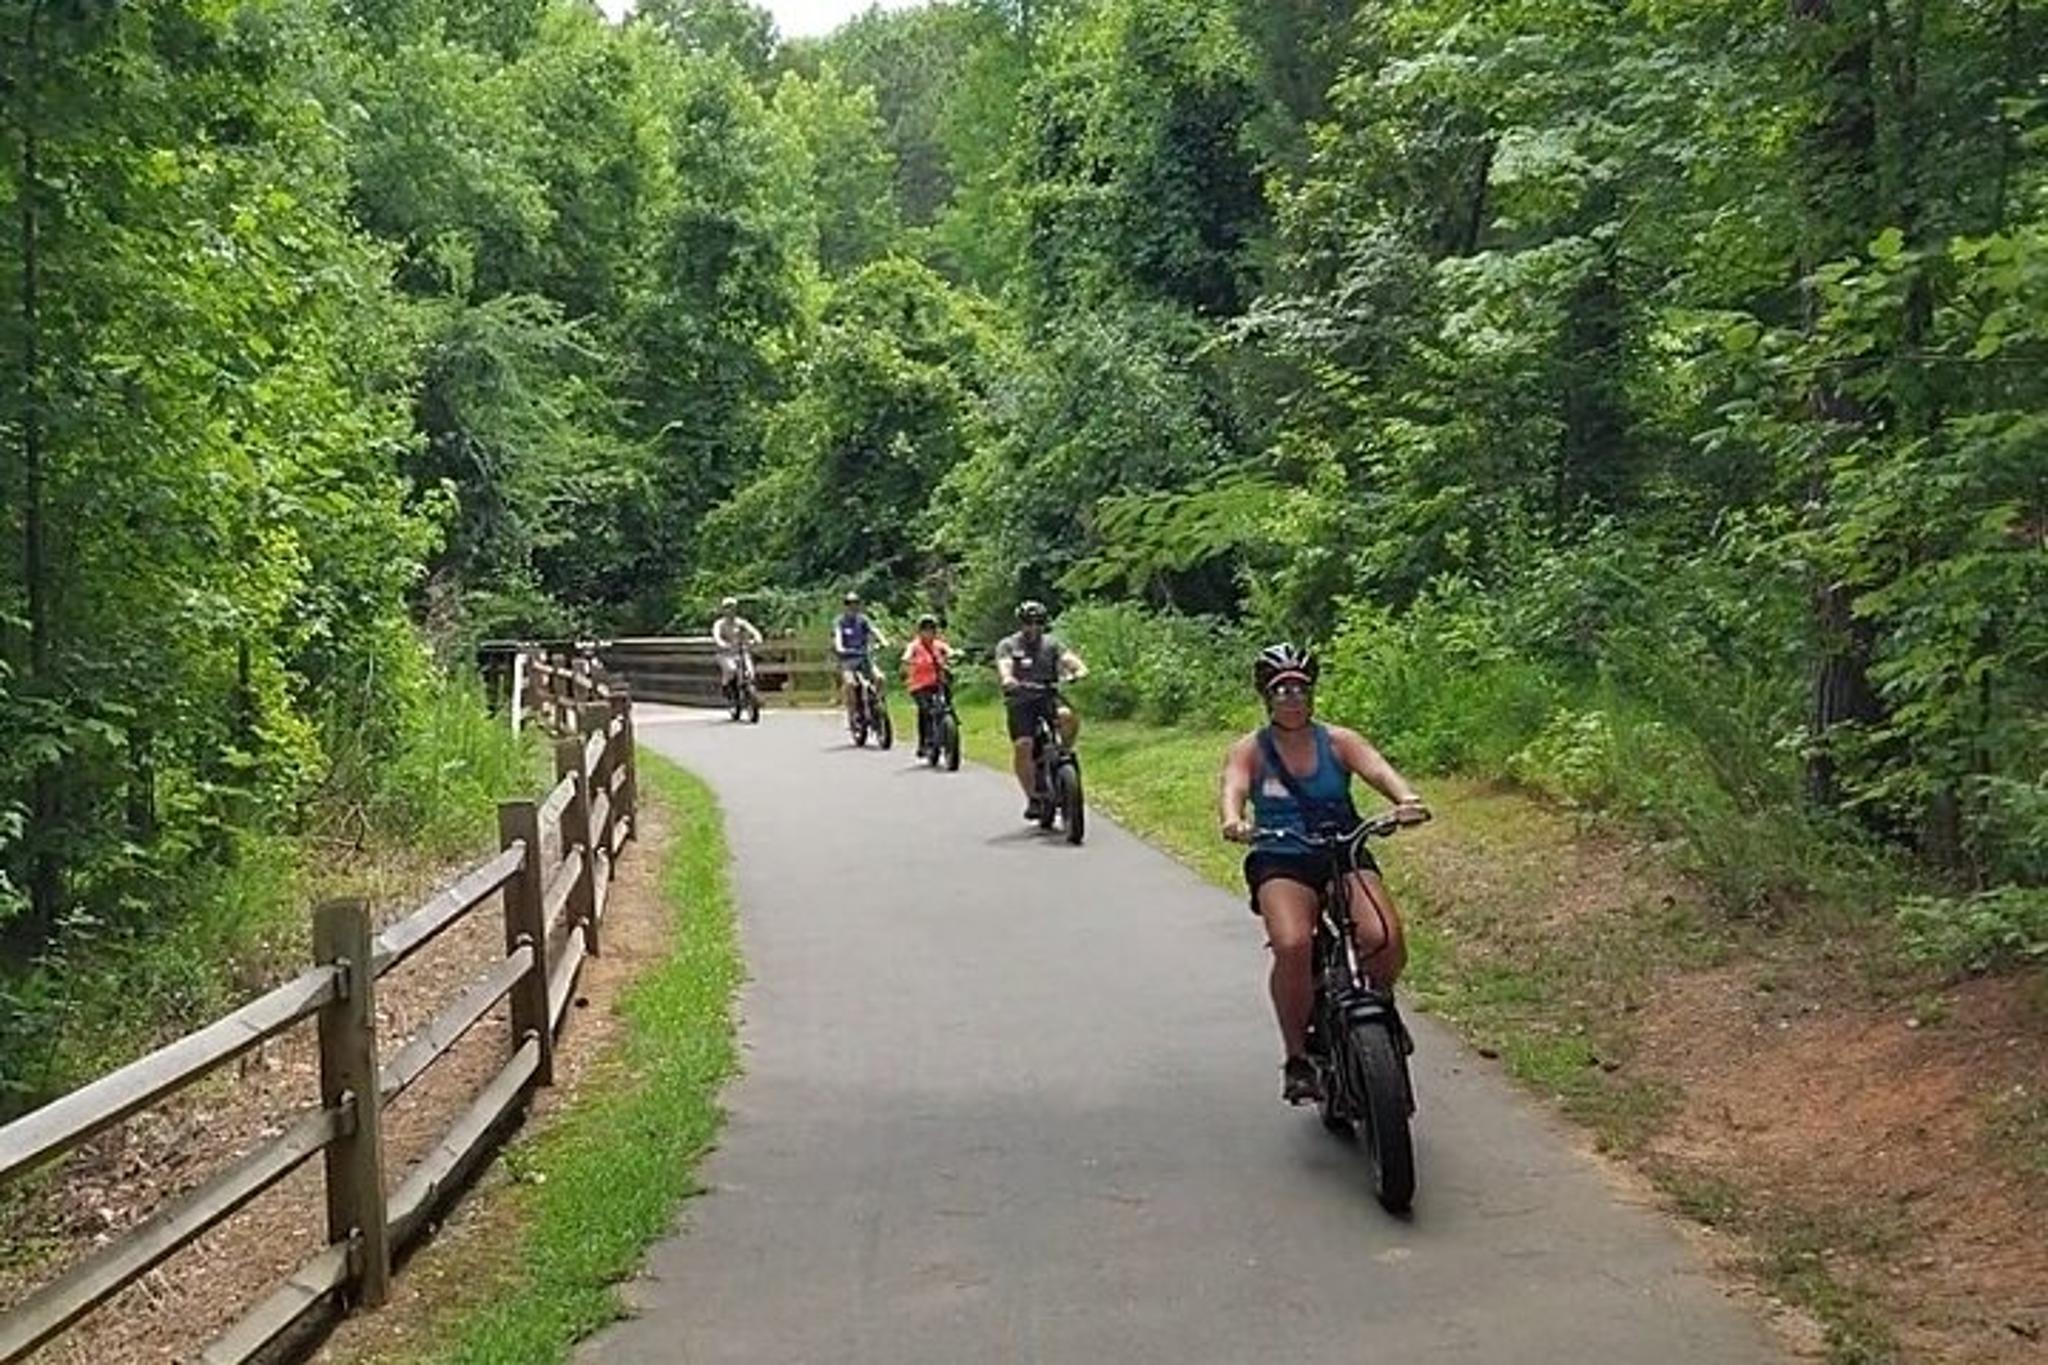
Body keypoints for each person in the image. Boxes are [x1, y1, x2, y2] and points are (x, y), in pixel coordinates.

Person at [1218, 643, 1430, 1106]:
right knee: (1294, 945)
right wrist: (1234, 820)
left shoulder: (1338, 741)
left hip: (1344, 847)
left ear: (1312, 694)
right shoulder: (1251, 749)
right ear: (1266, 697)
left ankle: (1379, 1005)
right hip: (1281, 856)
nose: (1292, 698)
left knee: (1384, 935)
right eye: (1282, 690)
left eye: (1300, 689)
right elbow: (1233, 787)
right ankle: (1297, 1058)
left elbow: (1378, 769)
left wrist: (1405, 800)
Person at [994, 600, 1087, 819]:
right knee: (1023, 745)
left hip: (1047, 695)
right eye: (1028, 622)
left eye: (1038, 622)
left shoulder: (1052, 644)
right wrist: (1008, 679)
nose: (1033, 627)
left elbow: (1069, 660)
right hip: (1021, 701)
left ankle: (1063, 753)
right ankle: (1033, 798)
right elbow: (1004, 665)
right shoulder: (1008, 645)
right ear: (1021, 623)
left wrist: (1078, 671)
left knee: (1067, 717)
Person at [831, 592, 889, 730]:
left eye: (855, 603)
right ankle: (852, 714)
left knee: (880, 677)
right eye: (849, 604)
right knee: (850, 684)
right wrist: (840, 647)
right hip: (847, 661)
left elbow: (874, 630)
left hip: (864, 657)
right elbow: (837, 635)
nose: (853, 607)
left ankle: (878, 703)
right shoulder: (839, 621)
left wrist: (883, 641)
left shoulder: (863, 620)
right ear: (845, 606)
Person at [901, 614, 954, 758]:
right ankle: (924, 742)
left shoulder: (938, 644)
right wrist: (907, 662)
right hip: (919, 685)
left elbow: (950, 651)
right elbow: (906, 656)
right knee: (925, 710)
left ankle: (950, 725)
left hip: (937, 682)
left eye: (931, 629)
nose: (929, 632)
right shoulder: (914, 646)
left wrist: (953, 655)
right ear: (920, 631)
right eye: (925, 629)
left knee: (946, 702)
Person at [711, 597, 764, 703]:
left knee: (750, 672)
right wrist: (722, 644)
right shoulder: (719, 624)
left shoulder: (741, 622)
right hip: (725, 654)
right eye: (727, 608)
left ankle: (749, 693)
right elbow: (717, 636)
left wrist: (756, 638)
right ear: (723, 610)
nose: (730, 610)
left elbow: (754, 631)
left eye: (733, 607)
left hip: (741, 651)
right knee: (731, 670)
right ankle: (727, 688)